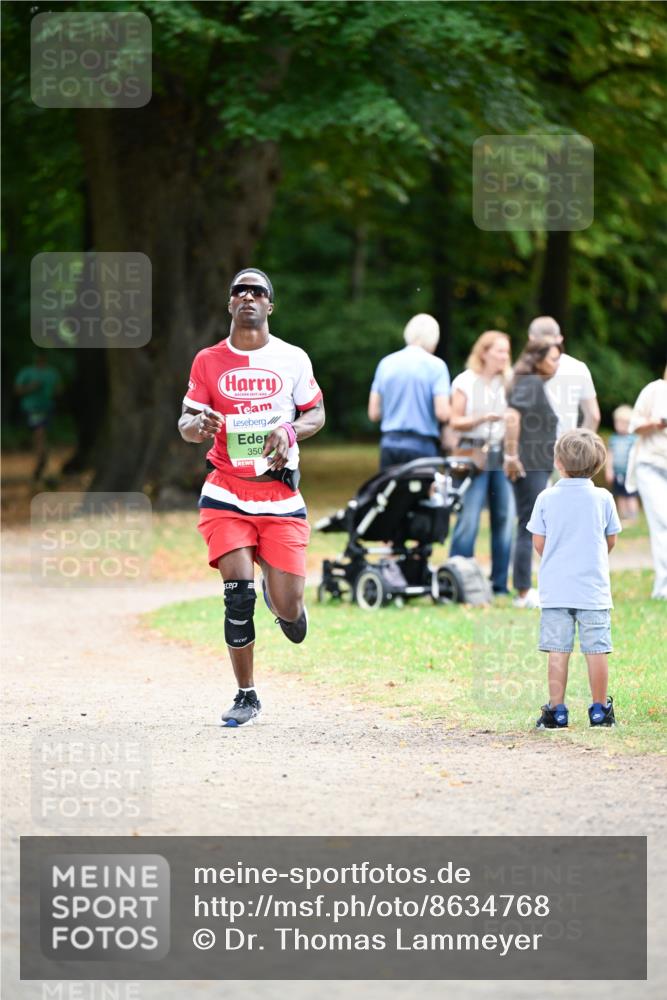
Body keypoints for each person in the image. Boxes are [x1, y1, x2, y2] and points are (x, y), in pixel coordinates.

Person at [178, 268, 325, 726]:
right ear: (229, 305)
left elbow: (315, 413)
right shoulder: (207, 361)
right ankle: (246, 694)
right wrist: (196, 427)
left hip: (280, 499)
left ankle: (281, 601)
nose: (247, 297)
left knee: (290, 610)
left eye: (257, 291)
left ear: (269, 305)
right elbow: (185, 423)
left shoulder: (293, 358)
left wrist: (287, 428)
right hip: (226, 494)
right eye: (238, 291)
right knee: (236, 596)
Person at [527, 429, 621, 729]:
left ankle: (557, 711)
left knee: (558, 650)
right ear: (597, 463)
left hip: (556, 590)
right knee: (596, 649)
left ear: (558, 462)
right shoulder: (603, 497)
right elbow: (611, 539)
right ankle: (599, 711)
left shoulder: (546, 497)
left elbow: (539, 543)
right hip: (593, 590)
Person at [448, 330, 514, 595]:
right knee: (469, 517)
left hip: (500, 452)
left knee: (504, 516)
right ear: (484, 352)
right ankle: (458, 579)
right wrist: (482, 418)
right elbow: (455, 420)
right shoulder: (465, 381)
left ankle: (499, 583)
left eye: (507, 351)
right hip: (472, 452)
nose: (504, 356)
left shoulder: (508, 383)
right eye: (499, 350)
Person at [504, 340, 561, 608]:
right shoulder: (530, 383)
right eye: (552, 359)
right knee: (529, 525)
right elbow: (512, 418)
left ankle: (526, 588)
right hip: (529, 464)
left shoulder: (533, 383)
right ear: (537, 360)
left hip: (537, 463)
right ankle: (524, 592)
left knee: (531, 523)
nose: (556, 365)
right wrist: (511, 455)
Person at [368, 314, 450, 470]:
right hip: (422, 446)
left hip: (389, 444)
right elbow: (442, 413)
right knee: (422, 493)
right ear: (433, 338)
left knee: (391, 493)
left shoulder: (386, 363)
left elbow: (374, 413)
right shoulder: (437, 366)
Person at [626, 368, 667, 600]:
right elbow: (634, 425)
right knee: (662, 522)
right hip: (650, 464)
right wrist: (657, 423)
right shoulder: (654, 390)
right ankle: (663, 589)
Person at [527, 316, 600, 435]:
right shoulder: (579, 367)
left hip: (531, 448)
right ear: (559, 338)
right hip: (565, 448)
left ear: (531, 339)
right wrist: (579, 446)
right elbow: (593, 416)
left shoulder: (524, 368)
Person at [14, 354, 61, 481]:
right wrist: (31, 387)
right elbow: (18, 390)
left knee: (40, 433)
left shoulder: (52, 373)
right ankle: (42, 457)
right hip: (32, 408)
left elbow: (58, 390)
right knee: (39, 433)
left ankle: (42, 457)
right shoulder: (27, 372)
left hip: (47, 407)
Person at [605, 404, 639, 522]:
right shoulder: (613, 439)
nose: (621, 426)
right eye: (618, 422)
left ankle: (633, 517)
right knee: (619, 494)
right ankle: (623, 517)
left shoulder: (634, 438)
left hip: (630, 473)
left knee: (630, 495)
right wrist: (609, 470)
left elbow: (636, 456)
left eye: (625, 423)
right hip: (617, 472)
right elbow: (610, 455)